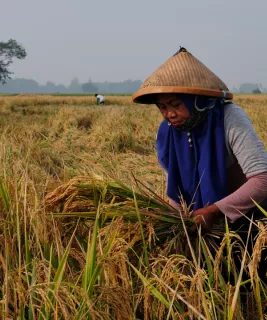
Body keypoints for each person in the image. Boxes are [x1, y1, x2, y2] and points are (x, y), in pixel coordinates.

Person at [132, 47, 267, 280]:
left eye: (175, 104)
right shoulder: (168, 133)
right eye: (163, 107)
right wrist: (177, 226)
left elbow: (262, 180)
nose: (169, 114)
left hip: (250, 219)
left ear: (197, 100)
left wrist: (214, 211)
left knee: (249, 283)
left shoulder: (229, 118)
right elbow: (176, 189)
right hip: (204, 224)